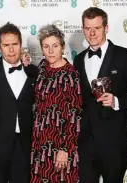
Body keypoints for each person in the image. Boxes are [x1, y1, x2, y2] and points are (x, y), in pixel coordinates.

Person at [73, 7, 127, 183]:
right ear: (83, 29)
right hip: (86, 141)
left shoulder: (125, 56)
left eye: (96, 28)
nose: (92, 33)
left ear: (106, 28)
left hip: (114, 141)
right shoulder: (78, 59)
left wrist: (117, 101)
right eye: (88, 28)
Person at [0, 22, 38, 183]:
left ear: (21, 45)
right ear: (0, 47)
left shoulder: (33, 72)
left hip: (24, 145)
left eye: (15, 44)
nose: (11, 49)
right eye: (6, 45)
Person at [30, 24, 82, 183]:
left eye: (55, 46)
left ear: (62, 47)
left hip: (61, 145)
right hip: (39, 144)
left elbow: (75, 114)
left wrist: (65, 149)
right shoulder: (42, 68)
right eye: (46, 46)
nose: (50, 51)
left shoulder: (71, 74)